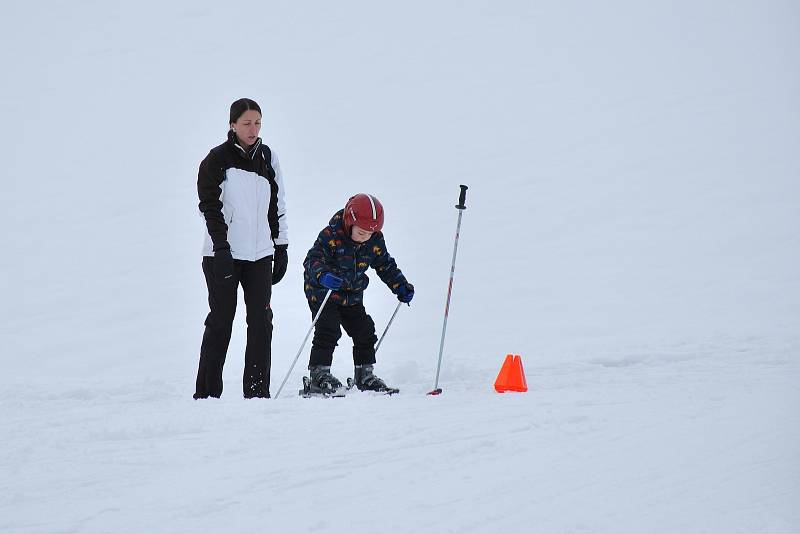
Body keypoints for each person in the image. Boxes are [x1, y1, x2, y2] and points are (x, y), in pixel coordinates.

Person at [194, 98, 289, 399]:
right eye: (247, 123)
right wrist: (221, 247)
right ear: (233, 125)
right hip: (222, 254)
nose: (253, 128)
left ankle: (257, 393)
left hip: (260, 254)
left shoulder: (269, 158)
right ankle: (207, 394)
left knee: (261, 321)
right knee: (222, 320)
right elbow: (210, 207)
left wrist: (281, 246)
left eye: (258, 122)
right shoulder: (216, 159)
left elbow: (278, 205)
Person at [302, 193, 414, 394]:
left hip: (351, 295)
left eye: (370, 233)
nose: (365, 238)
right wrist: (323, 275)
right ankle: (319, 374)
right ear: (348, 222)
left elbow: (385, 265)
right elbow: (312, 260)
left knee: (365, 330)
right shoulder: (331, 235)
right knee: (328, 330)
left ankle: (365, 375)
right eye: (361, 233)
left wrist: (401, 286)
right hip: (323, 292)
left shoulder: (374, 240)